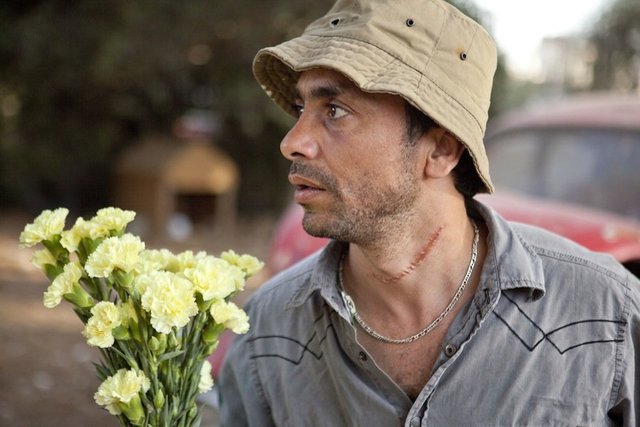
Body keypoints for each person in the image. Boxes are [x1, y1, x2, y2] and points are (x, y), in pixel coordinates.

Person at [218, 0, 640, 425]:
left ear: (440, 149)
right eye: (299, 110)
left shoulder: (605, 314)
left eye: (334, 111)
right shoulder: (268, 331)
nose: (293, 141)